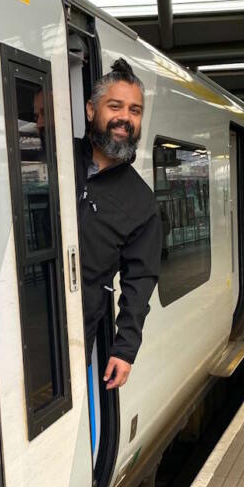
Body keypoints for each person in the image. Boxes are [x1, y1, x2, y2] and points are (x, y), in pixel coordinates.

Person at [73, 58, 161, 390]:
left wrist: (125, 349)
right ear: (91, 110)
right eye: (115, 106)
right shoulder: (56, 160)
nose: (125, 117)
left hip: (74, 337)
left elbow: (141, 278)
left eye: (135, 111)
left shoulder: (141, 202)